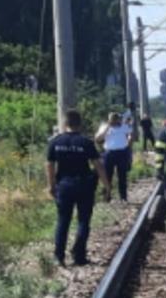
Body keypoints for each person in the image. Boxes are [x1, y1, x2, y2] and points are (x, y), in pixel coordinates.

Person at [47, 111, 102, 266]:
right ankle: (79, 256)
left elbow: (49, 165)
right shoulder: (86, 142)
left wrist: (51, 186)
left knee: (63, 221)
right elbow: (98, 166)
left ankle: (59, 257)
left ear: (65, 124)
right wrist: (107, 185)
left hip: (64, 186)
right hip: (84, 185)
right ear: (80, 124)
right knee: (83, 221)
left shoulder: (55, 142)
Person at [100, 112, 134, 202]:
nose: (116, 120)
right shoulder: (105, 127)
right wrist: (108, 127)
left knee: (122, 176)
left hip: (122, 152)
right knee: (107, 176)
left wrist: (129, 142)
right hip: (109, 153)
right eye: (114, 118)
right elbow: (98, 138)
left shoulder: (124, 126)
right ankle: (107, 197)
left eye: (117, 118)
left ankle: (123, 197)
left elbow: (130, 134)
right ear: (110, 119)